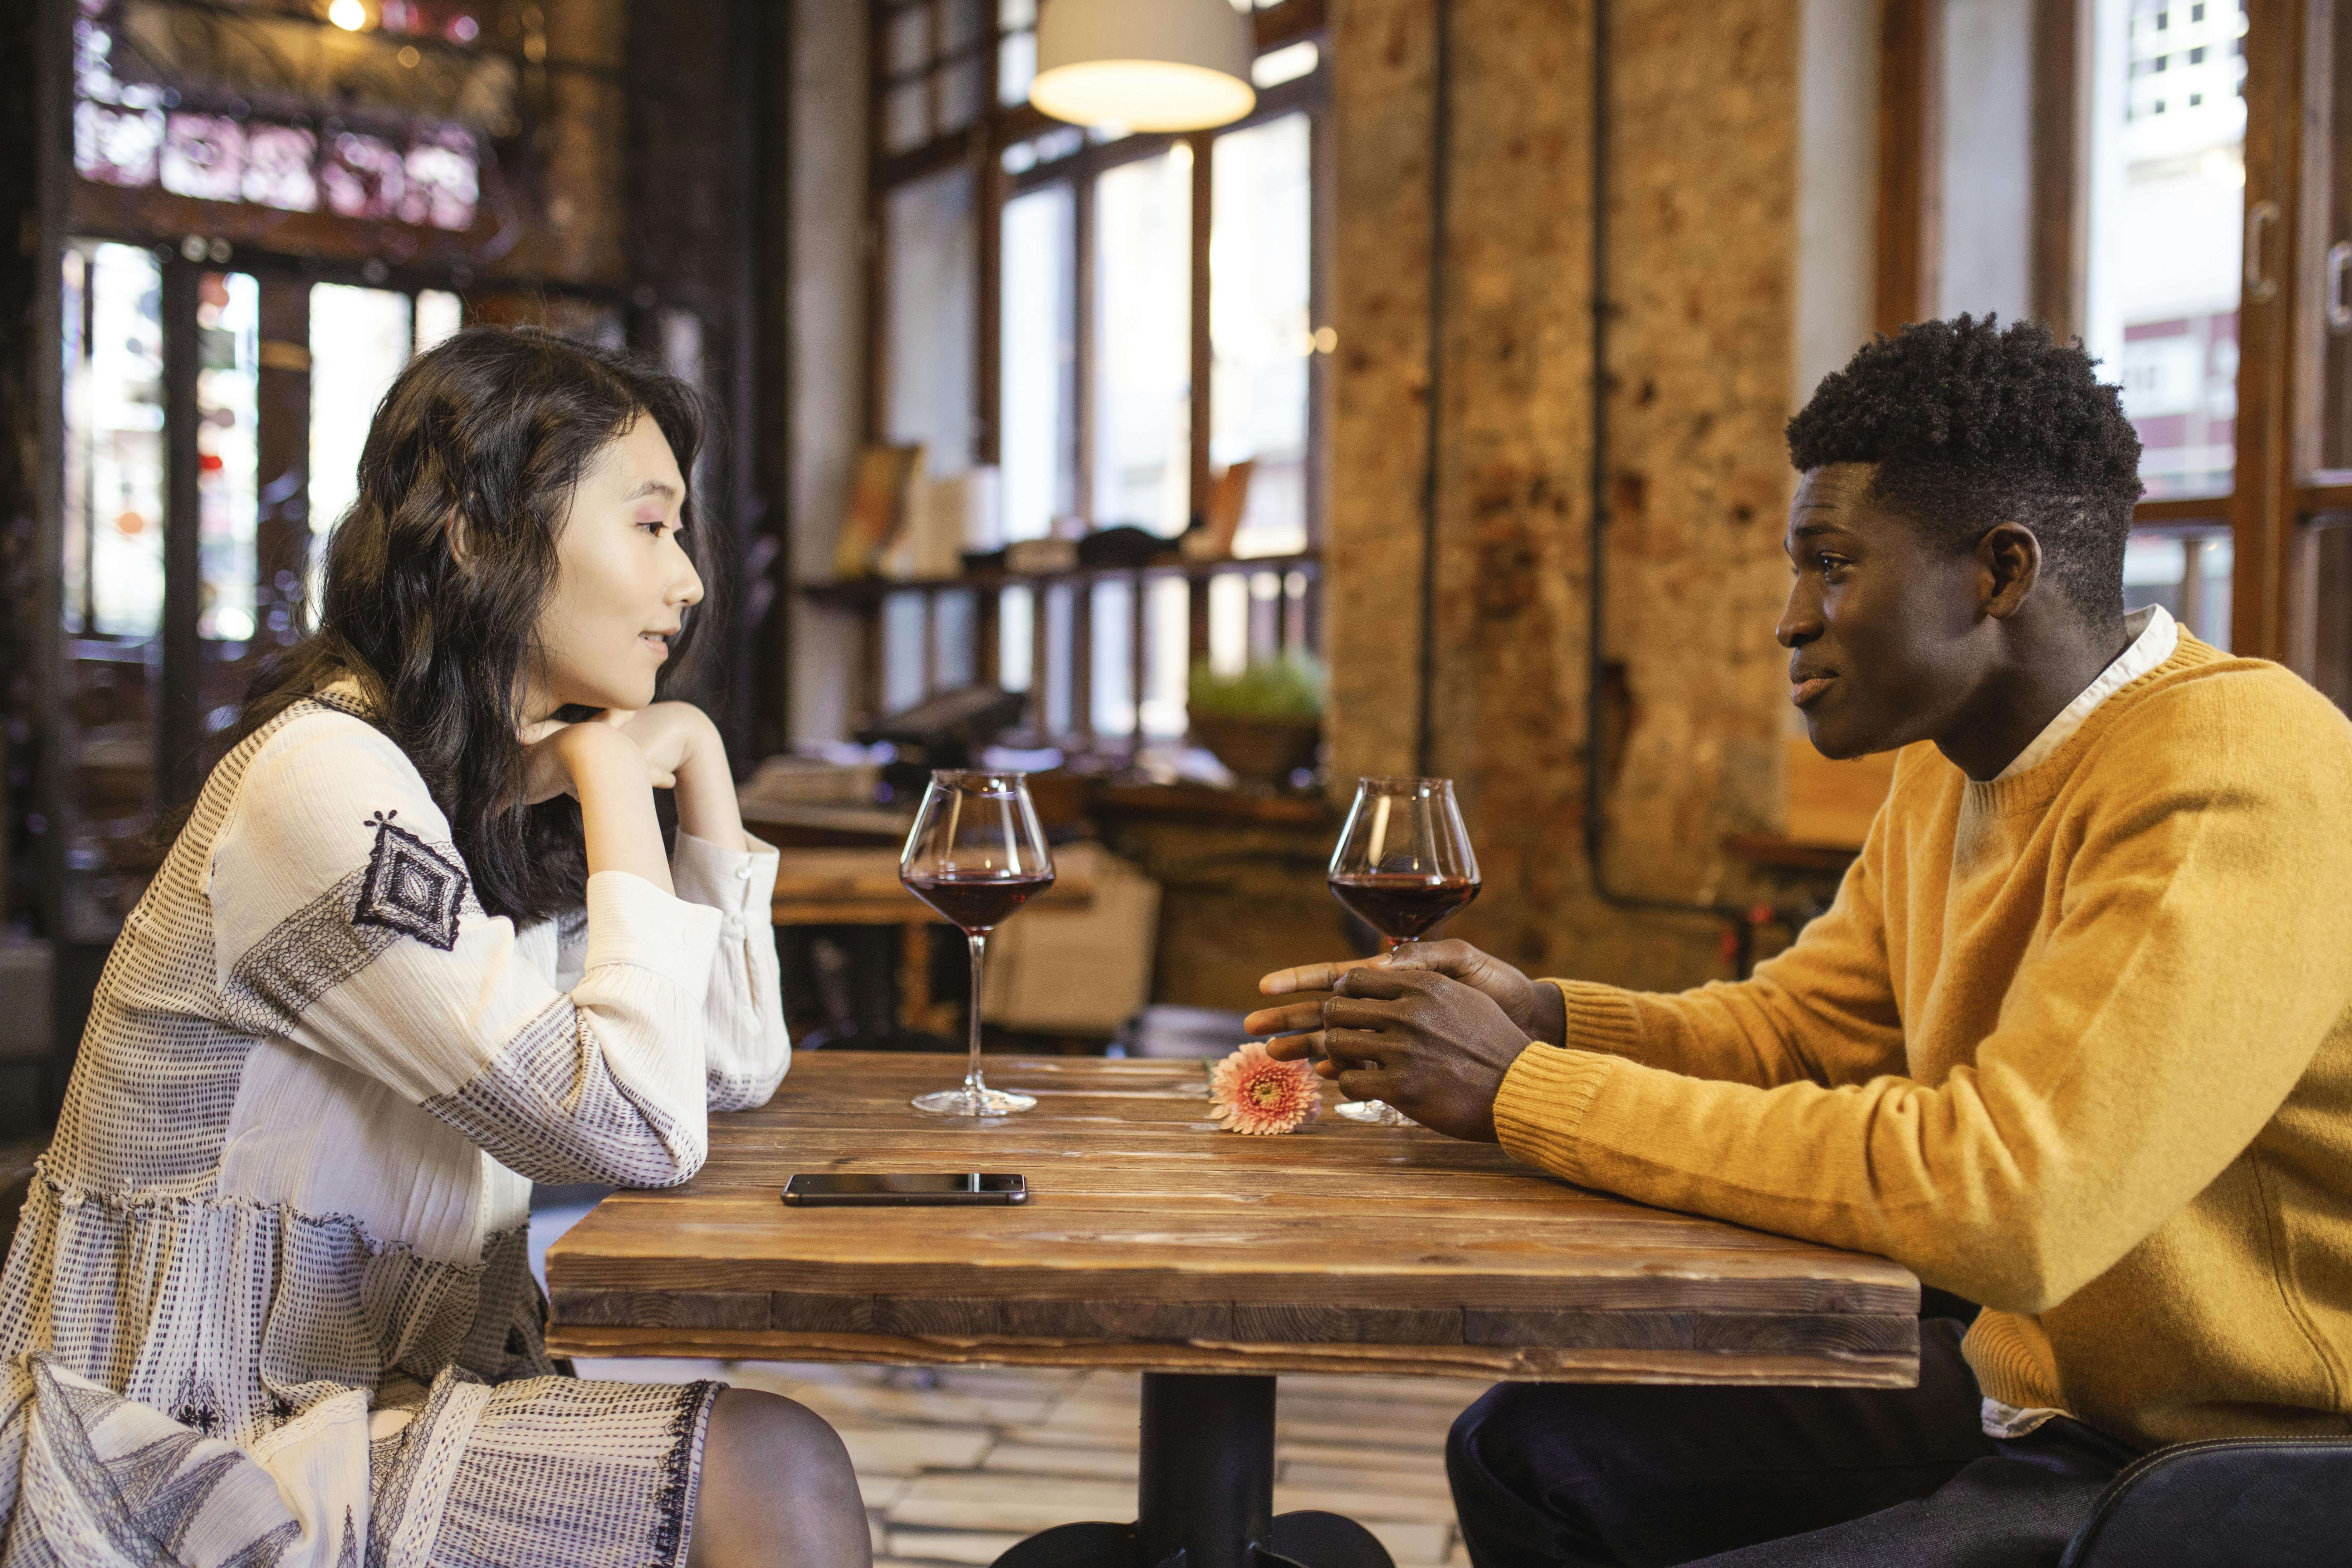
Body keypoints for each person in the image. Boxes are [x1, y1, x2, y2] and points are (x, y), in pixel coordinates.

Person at [1249, 317, 2352, 1567]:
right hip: (2044, 1389)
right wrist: (1546, 1016)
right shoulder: (1953, 772)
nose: (1790, 620)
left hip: (2250, 1458)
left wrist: (1517, 1089)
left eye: (1830, 566)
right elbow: (1802, 1035)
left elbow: (2012, 1198)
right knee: (1532, 1453)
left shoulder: (2234, 771)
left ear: (2000, 573)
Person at [0, 328, 870, 1567]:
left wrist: (702, 774)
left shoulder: (464, 789)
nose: (688, 585)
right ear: (474, 533)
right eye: (650, 526)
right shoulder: (326, 784)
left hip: (358, 1405)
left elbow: (729, 1069)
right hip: (176, 1449)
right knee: (771, 1467)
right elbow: (636, 1124)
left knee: (772, 1463)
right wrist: (620, 778)